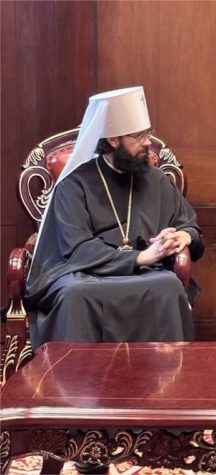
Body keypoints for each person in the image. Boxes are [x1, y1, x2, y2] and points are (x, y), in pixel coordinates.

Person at [25, 86, 204, 350]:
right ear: (112, 140)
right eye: (139, 136)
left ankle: (165, 375)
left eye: (148, 133)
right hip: (85, 273)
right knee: (75, 294)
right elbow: (78, 249)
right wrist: (139, 257)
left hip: (146, 273)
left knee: (168, 286)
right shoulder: (73, 186)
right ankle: (78, 376)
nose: (148, 143)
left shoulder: (156, 180)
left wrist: (183, 236)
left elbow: (189, 226)